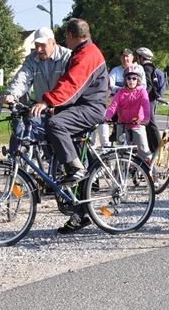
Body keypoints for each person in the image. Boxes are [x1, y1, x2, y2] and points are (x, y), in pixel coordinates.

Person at [30, 18, 109, 234]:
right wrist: (55, 106)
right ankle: (81, 213)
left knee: (55, 124)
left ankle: (75, 167)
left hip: (91, 108)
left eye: (66, 36)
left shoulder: (87, 55)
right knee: (58, 131)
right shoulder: (81, 52)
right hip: (82, 105)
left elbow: (72, 84)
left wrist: (48, 101)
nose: (65, 40)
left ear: (72, 36)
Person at [104, 64, 151, 161]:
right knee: (121, 151)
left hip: (137, 124)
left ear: (138, 80)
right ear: (125, 80)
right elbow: (113, 106)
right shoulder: (120, 92)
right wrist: (106, 117)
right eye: (129, 78)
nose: (131, 81)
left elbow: (146, 106)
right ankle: (121, 169)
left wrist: (146, 119)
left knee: (144, 151)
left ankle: (149, 168)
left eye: (134, 78)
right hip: (122, 124)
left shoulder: (142, 91)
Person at [135, 47, 165, 152]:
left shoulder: (146, 68)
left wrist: (142, 97)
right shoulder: (151, 67)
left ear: (141, 57)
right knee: (148, 123)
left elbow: (149, 85)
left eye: (138, 56)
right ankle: (153, 147)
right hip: (151, 98)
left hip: (149, 99)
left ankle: (158, 147)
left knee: (151, 123)